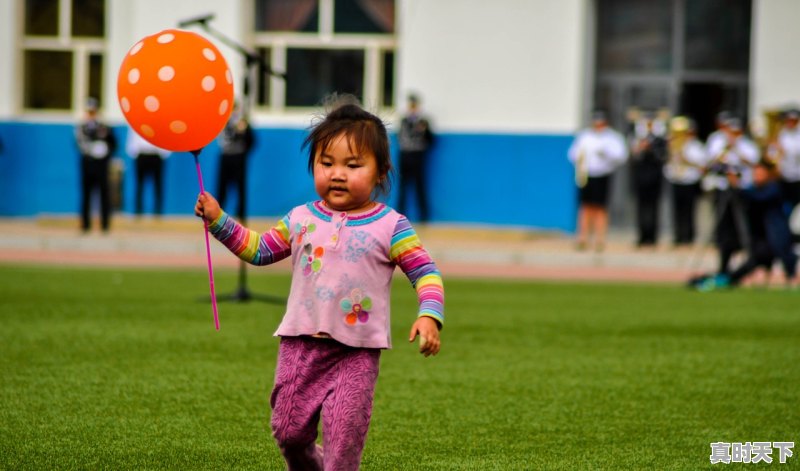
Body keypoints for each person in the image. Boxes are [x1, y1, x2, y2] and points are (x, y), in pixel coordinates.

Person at [194, 95, 445, 470]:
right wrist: (218, 221)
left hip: (357, 354)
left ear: (380, 172)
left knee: (344, 442)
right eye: (326, 163)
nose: (337, 173)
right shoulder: (300, 217)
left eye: (352, 164)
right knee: (289, 432)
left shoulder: (392, 226)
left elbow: (425, 272)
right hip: (299, 348)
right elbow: (260, 250)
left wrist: (429, 316)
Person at [696, 159, 797, 291]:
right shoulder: (753, 188)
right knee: (728, 242)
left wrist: (737, 187)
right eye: (756, 173)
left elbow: (758, 197)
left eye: (760, 173)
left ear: (768, 174)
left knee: (758, 256)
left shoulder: (774, 188)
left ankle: (730, 278)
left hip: (773, 238)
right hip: (756, 235)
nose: (757, 176)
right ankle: (723, 274)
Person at [703, 117, 760, 277]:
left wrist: (737, 151)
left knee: (741, 228)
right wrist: (725, 150)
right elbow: (709, 163)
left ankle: (745, 265)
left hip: (741, 190)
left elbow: (754, 164)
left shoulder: (747, 145)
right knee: (723, 229)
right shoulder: (717, 141)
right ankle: (723, 266)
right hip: (722, 188)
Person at [567, 110, 628, 251]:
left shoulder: (613, 137)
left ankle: (600, 239)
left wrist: (606, 154)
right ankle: (583, 238)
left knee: (600, 207)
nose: (598, 126)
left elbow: (621, 156)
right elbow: (572, 154)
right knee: (585, 207)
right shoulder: (585, 136)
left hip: (603, 174)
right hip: (586, 174)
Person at [663, 117, 708, 247]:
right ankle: (678, 235)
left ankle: (689, 236)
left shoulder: (696, 146)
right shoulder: (673, 145)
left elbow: (702, 165)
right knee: (677, 209)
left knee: (689, 210)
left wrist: (685, 159)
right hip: (677, 180)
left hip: (689, 181)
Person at [75, 97, 117, 233]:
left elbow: (113, 144)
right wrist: (91, 149)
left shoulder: (105, 127)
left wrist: (105, 152)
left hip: (102, 165)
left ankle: (105, 225)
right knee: (86, 194)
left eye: (93, 111)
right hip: (87, 164)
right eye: (89, 112)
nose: (91, 114)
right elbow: (78, 143)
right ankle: (86, 225)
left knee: (104, 194)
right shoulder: (82, 127)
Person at [629, 111, 668, 247]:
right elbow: (634, 157)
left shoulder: (660, 139)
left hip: (655, 177)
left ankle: (653, 236)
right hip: (641, 177)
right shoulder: (637, 138)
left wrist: (651, 149)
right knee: (641, 207)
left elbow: (662, 157)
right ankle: (642, 236)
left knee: (654, 207)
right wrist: (641, 148)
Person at [397, 93, 434, 222]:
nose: (412, 108)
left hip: (418, 157)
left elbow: (431, 140)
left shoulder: (424, 122)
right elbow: (401, 138)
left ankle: (423, 217)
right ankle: (400, 215)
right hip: (405, 157)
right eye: (410, 105)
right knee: (403, 188)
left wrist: (423, 131)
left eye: (414, 105)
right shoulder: (404, 121)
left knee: (420, 187)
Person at [217, 101, 255, 220]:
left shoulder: (243, 122)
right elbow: (223, 138)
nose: (233, 112)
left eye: (235, 109)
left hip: (239, 157)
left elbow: (251, 140)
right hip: (226, 156)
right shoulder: (223, 122)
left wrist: (244, 131)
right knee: (222, 187)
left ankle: (241, 215)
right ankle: (218, 216)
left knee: (240, 187)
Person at [126, 128, 170, 217]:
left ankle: (158, 210)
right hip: (142, 155)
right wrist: (135, 153)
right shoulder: (136, 123)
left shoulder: (160, 123)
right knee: (139, 183)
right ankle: (138, 210)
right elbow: (132, 140)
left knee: (158, 184)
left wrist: (164, 153)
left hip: (156, 155)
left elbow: (166, 138)